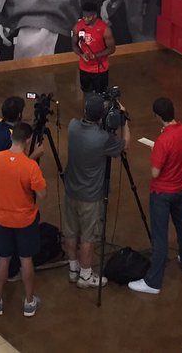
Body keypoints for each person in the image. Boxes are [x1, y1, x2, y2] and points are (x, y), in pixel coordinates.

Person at [129, 97, 182, 295]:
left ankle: (153, 281)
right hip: (181, 189)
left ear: (157, 116)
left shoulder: (162, 141)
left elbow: (155, 173)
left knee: (160, 236)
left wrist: (155, 152)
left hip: (162, 193)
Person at [62, 93, 129, 289]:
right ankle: (85, 275)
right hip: (90, 197)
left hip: (71, 190)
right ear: (101, 116)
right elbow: (125, 145)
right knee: (88, 237)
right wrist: (124, 121)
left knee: (71, 232)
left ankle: (73, 269)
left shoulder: (73, 126)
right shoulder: (102, 139)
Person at [0, 122, 47, 318]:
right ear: (28, 141)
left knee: (3, 259)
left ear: (11, 137)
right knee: (26, 260)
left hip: (2, 219)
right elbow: (42, 194)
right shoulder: (30, 166)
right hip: (25, 220)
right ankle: (29, 302)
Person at [0, 96, 27, 281]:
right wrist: (34, 153)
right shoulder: (12, 139)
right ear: (19, 114)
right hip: (8, 187)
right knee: (9, 229)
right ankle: (10, 270)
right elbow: (21, 164)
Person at [73, 1, 115, 95]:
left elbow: (112, 49)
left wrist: (95, 55)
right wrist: (81, 54)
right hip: (84, 68)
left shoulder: (105, 29)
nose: (85, 19)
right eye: (84, 17)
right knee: (86, 93)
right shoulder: (78, 27)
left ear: (95, 15)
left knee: (101, 95)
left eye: (88, 17)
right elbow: (74, 45)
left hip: (100, 69)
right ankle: (88, 109)